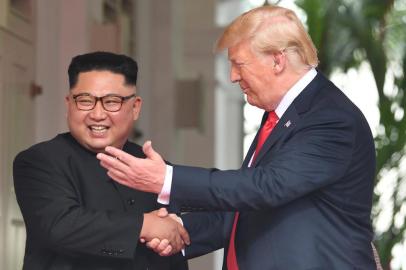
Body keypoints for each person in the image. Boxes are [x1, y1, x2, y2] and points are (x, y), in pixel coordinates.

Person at [97, 5, 379, 270]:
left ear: (277, 61)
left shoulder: (329, 117)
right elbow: (247, 208)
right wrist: (178, 232)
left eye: (239, 63)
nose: (232, 76)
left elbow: (266, 187)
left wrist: (167, 179)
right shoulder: (282, 115)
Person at [13, 51, 189, 270]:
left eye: (111, 102)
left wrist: (166, 232)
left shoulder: (155, 166)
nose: (97, 114)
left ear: (135, 107)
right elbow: (60, 226)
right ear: (69, 104)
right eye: (85, 101)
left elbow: (173, 242)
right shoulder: (39, 161)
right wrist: (145, 225)